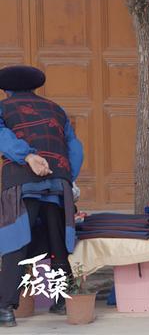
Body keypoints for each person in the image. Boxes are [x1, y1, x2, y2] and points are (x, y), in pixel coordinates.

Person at [0, 65, 84, 327]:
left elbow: (2, 136)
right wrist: (66, 176)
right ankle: (62, 300)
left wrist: (26, 155)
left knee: (16, 240)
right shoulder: (56, 109)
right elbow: (75, 147)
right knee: (57, 238)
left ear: (6, 89)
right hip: (58, 182)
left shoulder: (3, 108)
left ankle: (5, 309)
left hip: (23, 181)